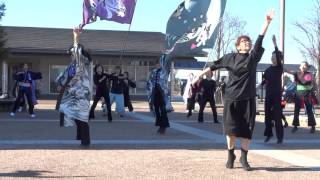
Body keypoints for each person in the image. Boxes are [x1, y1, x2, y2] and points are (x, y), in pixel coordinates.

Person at [193, 9, 274, 171]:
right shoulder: (230, 57)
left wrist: (266, 23)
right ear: (237, 46)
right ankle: (231, 154)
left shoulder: (253, 57)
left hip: (248, 99)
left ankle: (244, 158)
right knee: (231, 132)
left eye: (248, 42)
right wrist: (198, 76)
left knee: (246, 131)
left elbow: (259, 39)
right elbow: (213, 66)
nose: (247, 43)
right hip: (231, 99)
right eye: (244, 42)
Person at [56, 27, 92, 147]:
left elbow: (78, 51)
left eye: (73, 52)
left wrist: (76, 37)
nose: (71, 54)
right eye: (71, 53)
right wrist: (59, 84)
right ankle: (81, 137)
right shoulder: (71, 65)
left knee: (82, 118)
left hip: (81, 95)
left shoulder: (81, 63)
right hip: (71, 95)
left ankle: (85, 141)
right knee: (72, 114)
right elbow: (62, 77)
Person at [262, 35, 284, 144]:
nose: (273, 58)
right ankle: (268, 135)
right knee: (267, 117)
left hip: (276, 96)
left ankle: (279, 137)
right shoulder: (267, 70)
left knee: (277, 117)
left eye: (275, 56)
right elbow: (264, 81)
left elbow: (279, 57)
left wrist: (275, 44)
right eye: (272, 56)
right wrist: (257, 86)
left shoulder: (279, 68)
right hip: (268, 96)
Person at [287, 61, 317, 133]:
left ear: (307, 67)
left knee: (310, 111)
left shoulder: (310, 75)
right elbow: (288, 71)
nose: (304, 67)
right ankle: (295, 126)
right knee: (296, 111)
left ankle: (313, 127)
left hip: (307, 96)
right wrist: (281, 65)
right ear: (300, 67)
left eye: (305, 66)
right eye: (302, 66)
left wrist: (314, 90)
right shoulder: (297, 74)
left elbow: (314, 84)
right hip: (298, 95)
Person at [147, 63, 170, 134]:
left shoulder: (164, 71)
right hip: (155, 92)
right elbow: (149, 81)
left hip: (162, 92)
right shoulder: (153, 72)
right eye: (157, 64)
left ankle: (164, 126)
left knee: (163, 110)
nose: (158, 65)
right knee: (156, 110)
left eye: (159, 64)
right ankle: (160, 125)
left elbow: (165, 81)